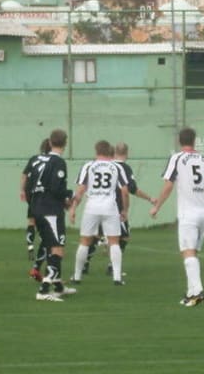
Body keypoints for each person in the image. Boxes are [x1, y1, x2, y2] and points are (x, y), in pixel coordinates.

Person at [150, 127, 204, 307]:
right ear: (194, 141)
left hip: (189, 214)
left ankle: (198, 291)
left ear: (179, 141)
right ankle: (191, 292)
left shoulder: (177, 158)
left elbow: (169, 185)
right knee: (193, 252)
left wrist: (157, 206)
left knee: (188, 252)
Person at [81, 142, 156, 277]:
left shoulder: (98, 166)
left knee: (95, 236)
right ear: (127, 153)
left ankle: (84, 264)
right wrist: (149, 198)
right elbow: (131, 190)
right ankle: (112, 267)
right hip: (114, 209)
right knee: (122, 237)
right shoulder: (123, 168)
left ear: (114, 152)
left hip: (96, 206)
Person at [69, 140, 129, 285]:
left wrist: (73, 208)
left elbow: (80, 190)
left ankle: (77, 276)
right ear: (110, 152)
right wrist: (125, 210)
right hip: (110, 206)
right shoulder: (116, 167)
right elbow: (125, 191)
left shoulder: (88, 166)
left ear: (96, 152)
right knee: (114, 242)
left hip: (92, 207)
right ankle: (117, 277)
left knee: (84, 241)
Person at [28, 129, 76, 302]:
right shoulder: (58, 162)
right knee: (57, 249)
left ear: (49, 141)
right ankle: (43, 290)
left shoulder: (38, 160)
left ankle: (58, 286)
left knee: (51, 247)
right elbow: (56, 189)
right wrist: (69, 195)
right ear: (65, 143)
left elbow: (28, 182)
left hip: (37, 208)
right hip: (50, 211)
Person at [20, 137, 52, 281]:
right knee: (48, 235)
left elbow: (24, 175)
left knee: (31, 221)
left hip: (31, 196)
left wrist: (22, 190)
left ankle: (30, 246)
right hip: (44, 199)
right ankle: (38, 268)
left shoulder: (34, 159)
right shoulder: (53, 161)